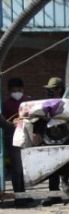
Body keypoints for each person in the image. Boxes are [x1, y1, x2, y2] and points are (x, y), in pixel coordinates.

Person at [41, 77, 69, 206]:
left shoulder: (67, 102)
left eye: (52, 90)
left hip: (66, 136)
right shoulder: (47, 103)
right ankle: (54, 194)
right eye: (49, 90)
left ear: (59, 89)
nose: (49, 92)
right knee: (51, 167)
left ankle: (64, 181)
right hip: (51, 137)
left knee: (65, 163)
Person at [2, 78, 33, 207]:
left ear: (23, 88)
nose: (17, 92)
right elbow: (3, 122)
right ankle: (18, 197)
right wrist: (13, 124)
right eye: (14, 90)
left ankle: (23, 194)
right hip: (12, 139)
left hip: (26, 137)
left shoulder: (28, 101)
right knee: (17, 168)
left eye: (19, 89)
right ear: (9, 91)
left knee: (24, 169)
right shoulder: (5, 104)